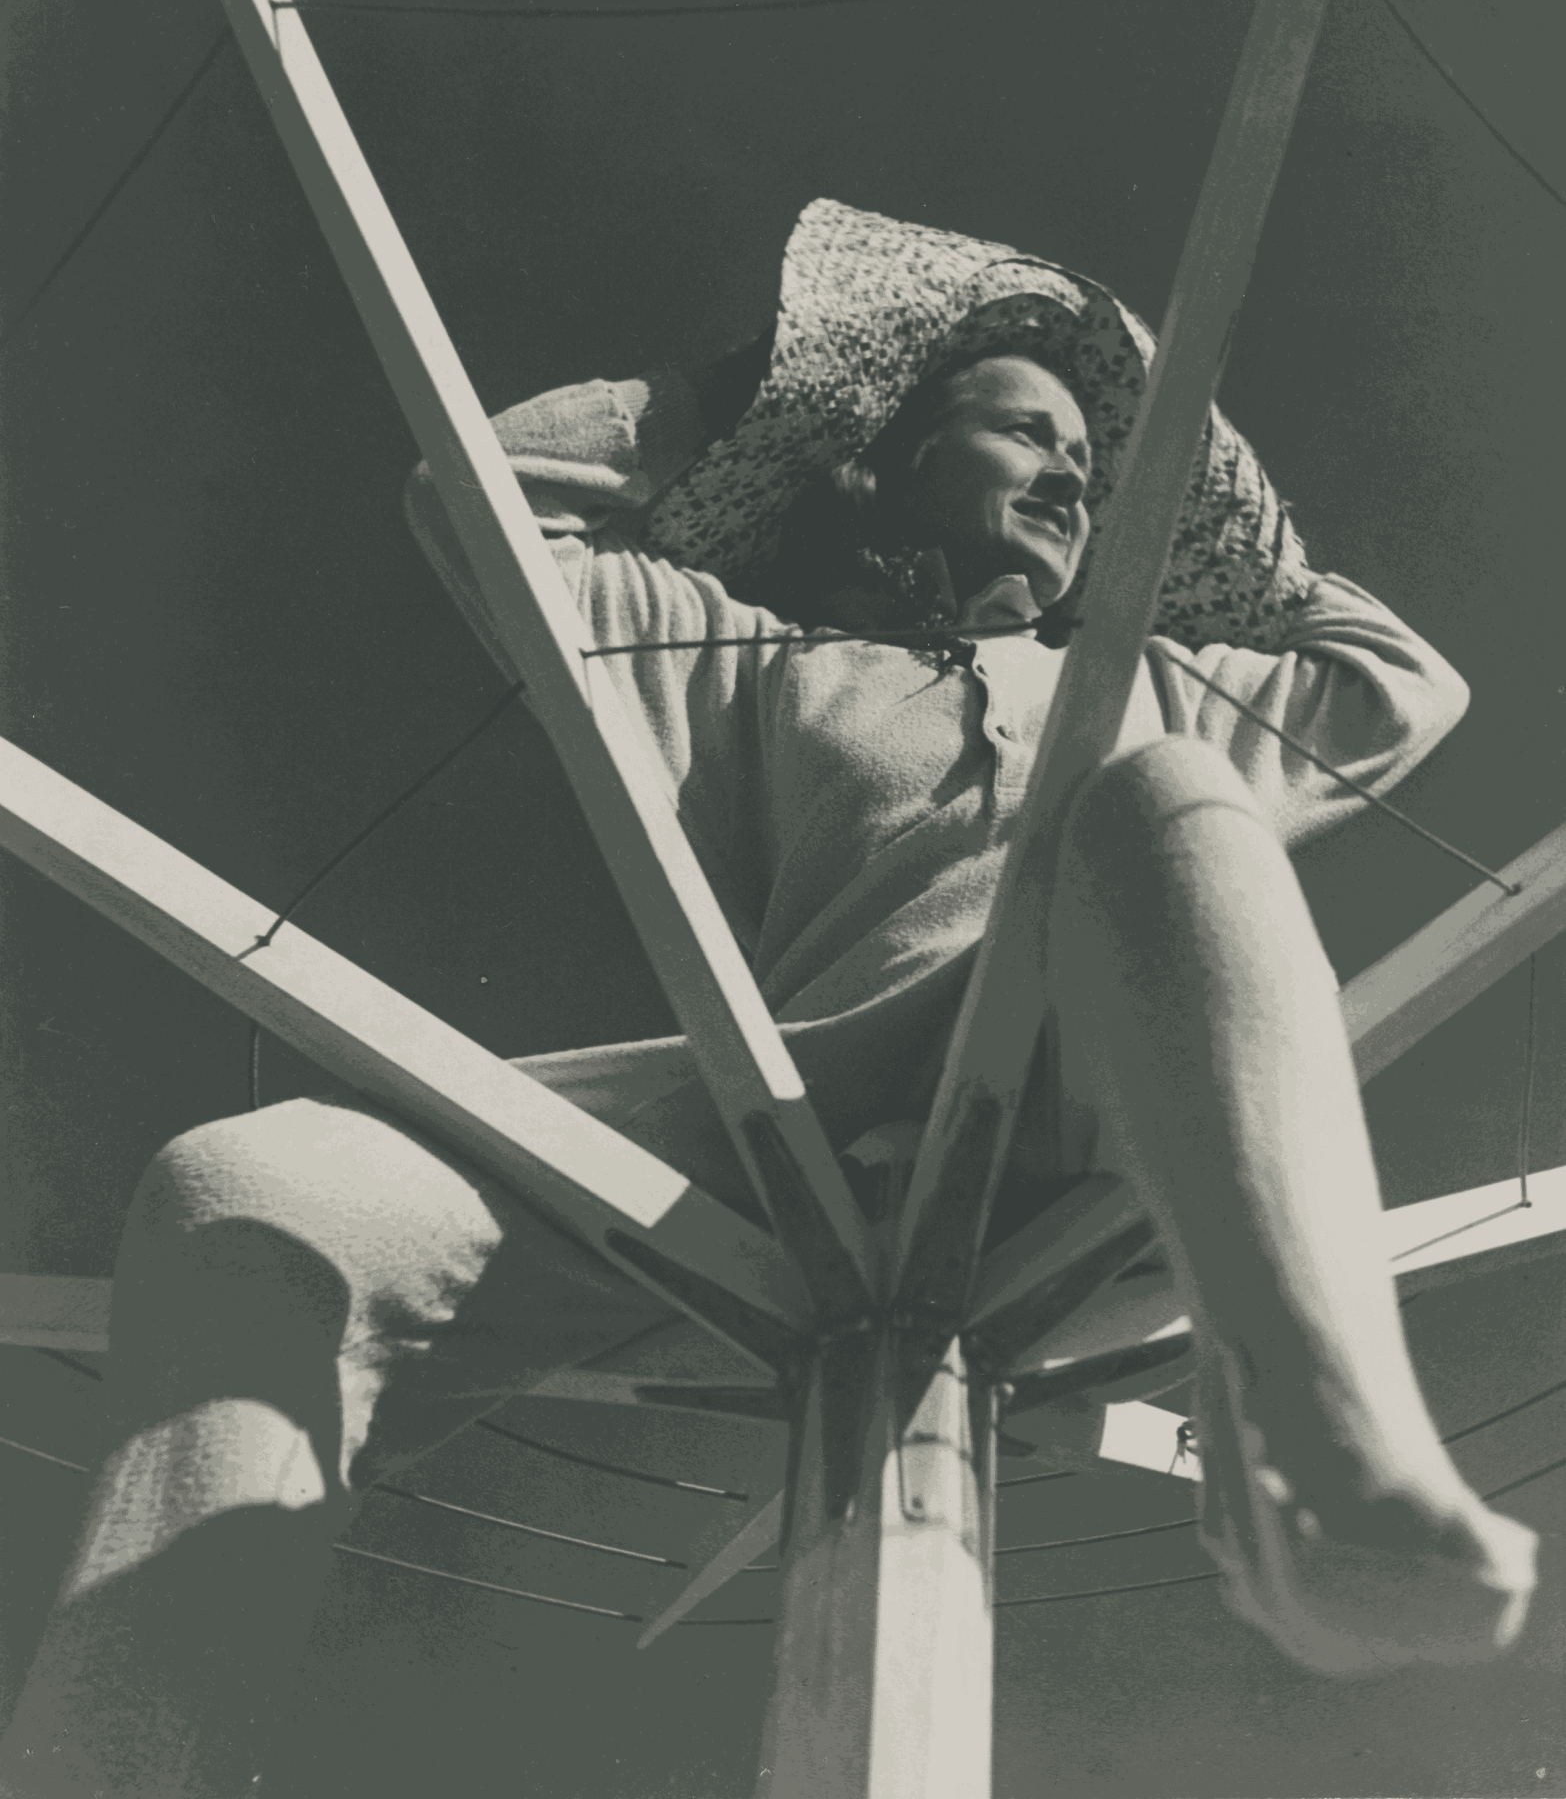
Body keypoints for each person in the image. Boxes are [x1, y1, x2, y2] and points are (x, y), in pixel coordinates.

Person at [0, 201, 1536, 1797]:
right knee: (253, 1187)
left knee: (1163, 798)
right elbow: (485, 498)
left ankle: (1313, 1444)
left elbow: (1392, 674)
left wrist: (1186, 485)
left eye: (1097, 459)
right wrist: (790, 378)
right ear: (875, 459)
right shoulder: (742, 657)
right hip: (777, 1114)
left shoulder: (1161, 684)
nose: (1076, 474)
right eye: (1023, 432)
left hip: (1115, 1083)